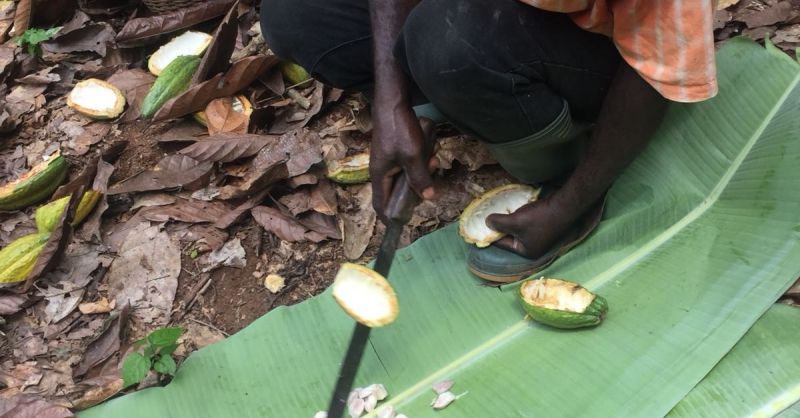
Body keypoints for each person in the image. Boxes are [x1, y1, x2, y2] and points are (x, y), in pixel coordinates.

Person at [260, 0, 718, 282]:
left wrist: (571, 203)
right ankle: (436, 95)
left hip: (594, 47)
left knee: (448, 38)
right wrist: (393, 100)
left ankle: (557, 164)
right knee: (296, 15)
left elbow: (658, 68)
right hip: (463, 15)